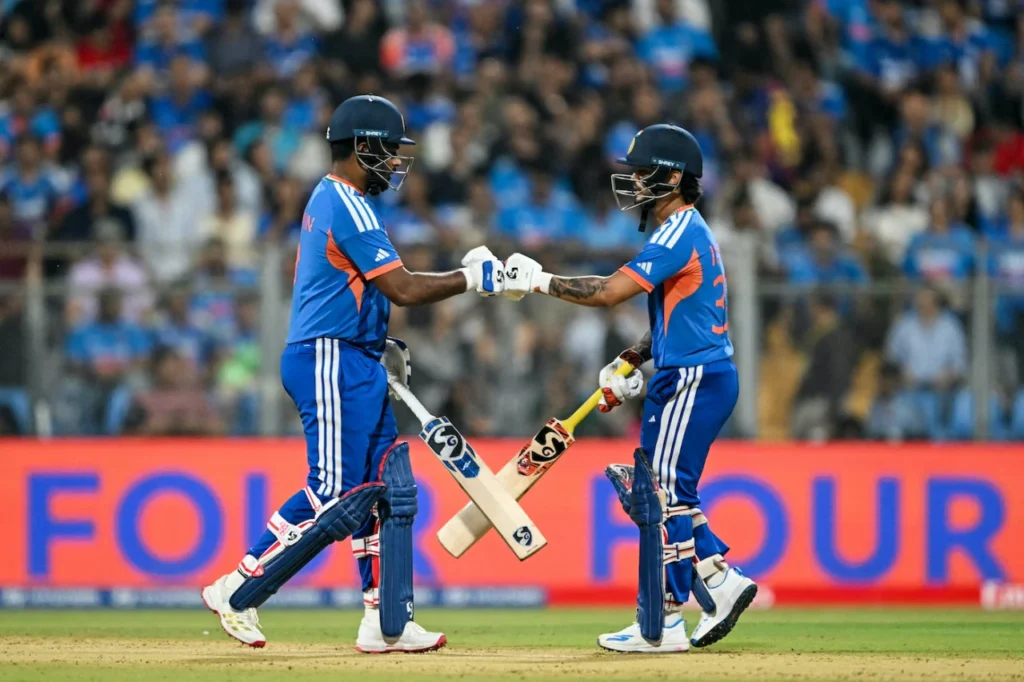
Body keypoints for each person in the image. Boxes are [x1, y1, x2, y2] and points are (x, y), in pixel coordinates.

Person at [201, 94, 505, 651]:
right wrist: (475, 277)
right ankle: (237, 588)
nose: (395, 162)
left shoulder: (336, 198)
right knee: (334, 493)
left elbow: (360, 290)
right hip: (330, 356)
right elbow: (403, 288)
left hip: (354, 355)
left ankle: (384, 620)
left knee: (382, 490)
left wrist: (375, 340)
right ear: (362, 147)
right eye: (388, 150)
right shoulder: (348, 203)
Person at [503, 124, 756, 652]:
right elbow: (676, 315)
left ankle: (664, 623)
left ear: (674, 178)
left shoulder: (677, 232)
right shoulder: (685, 231)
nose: (634, 181)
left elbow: (606, 293)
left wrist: (538, 280)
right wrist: (633, 356)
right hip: (694, 374)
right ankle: (719, 579)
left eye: (644, 173)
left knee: (659, 497)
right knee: (672, 495)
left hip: (692, 378)